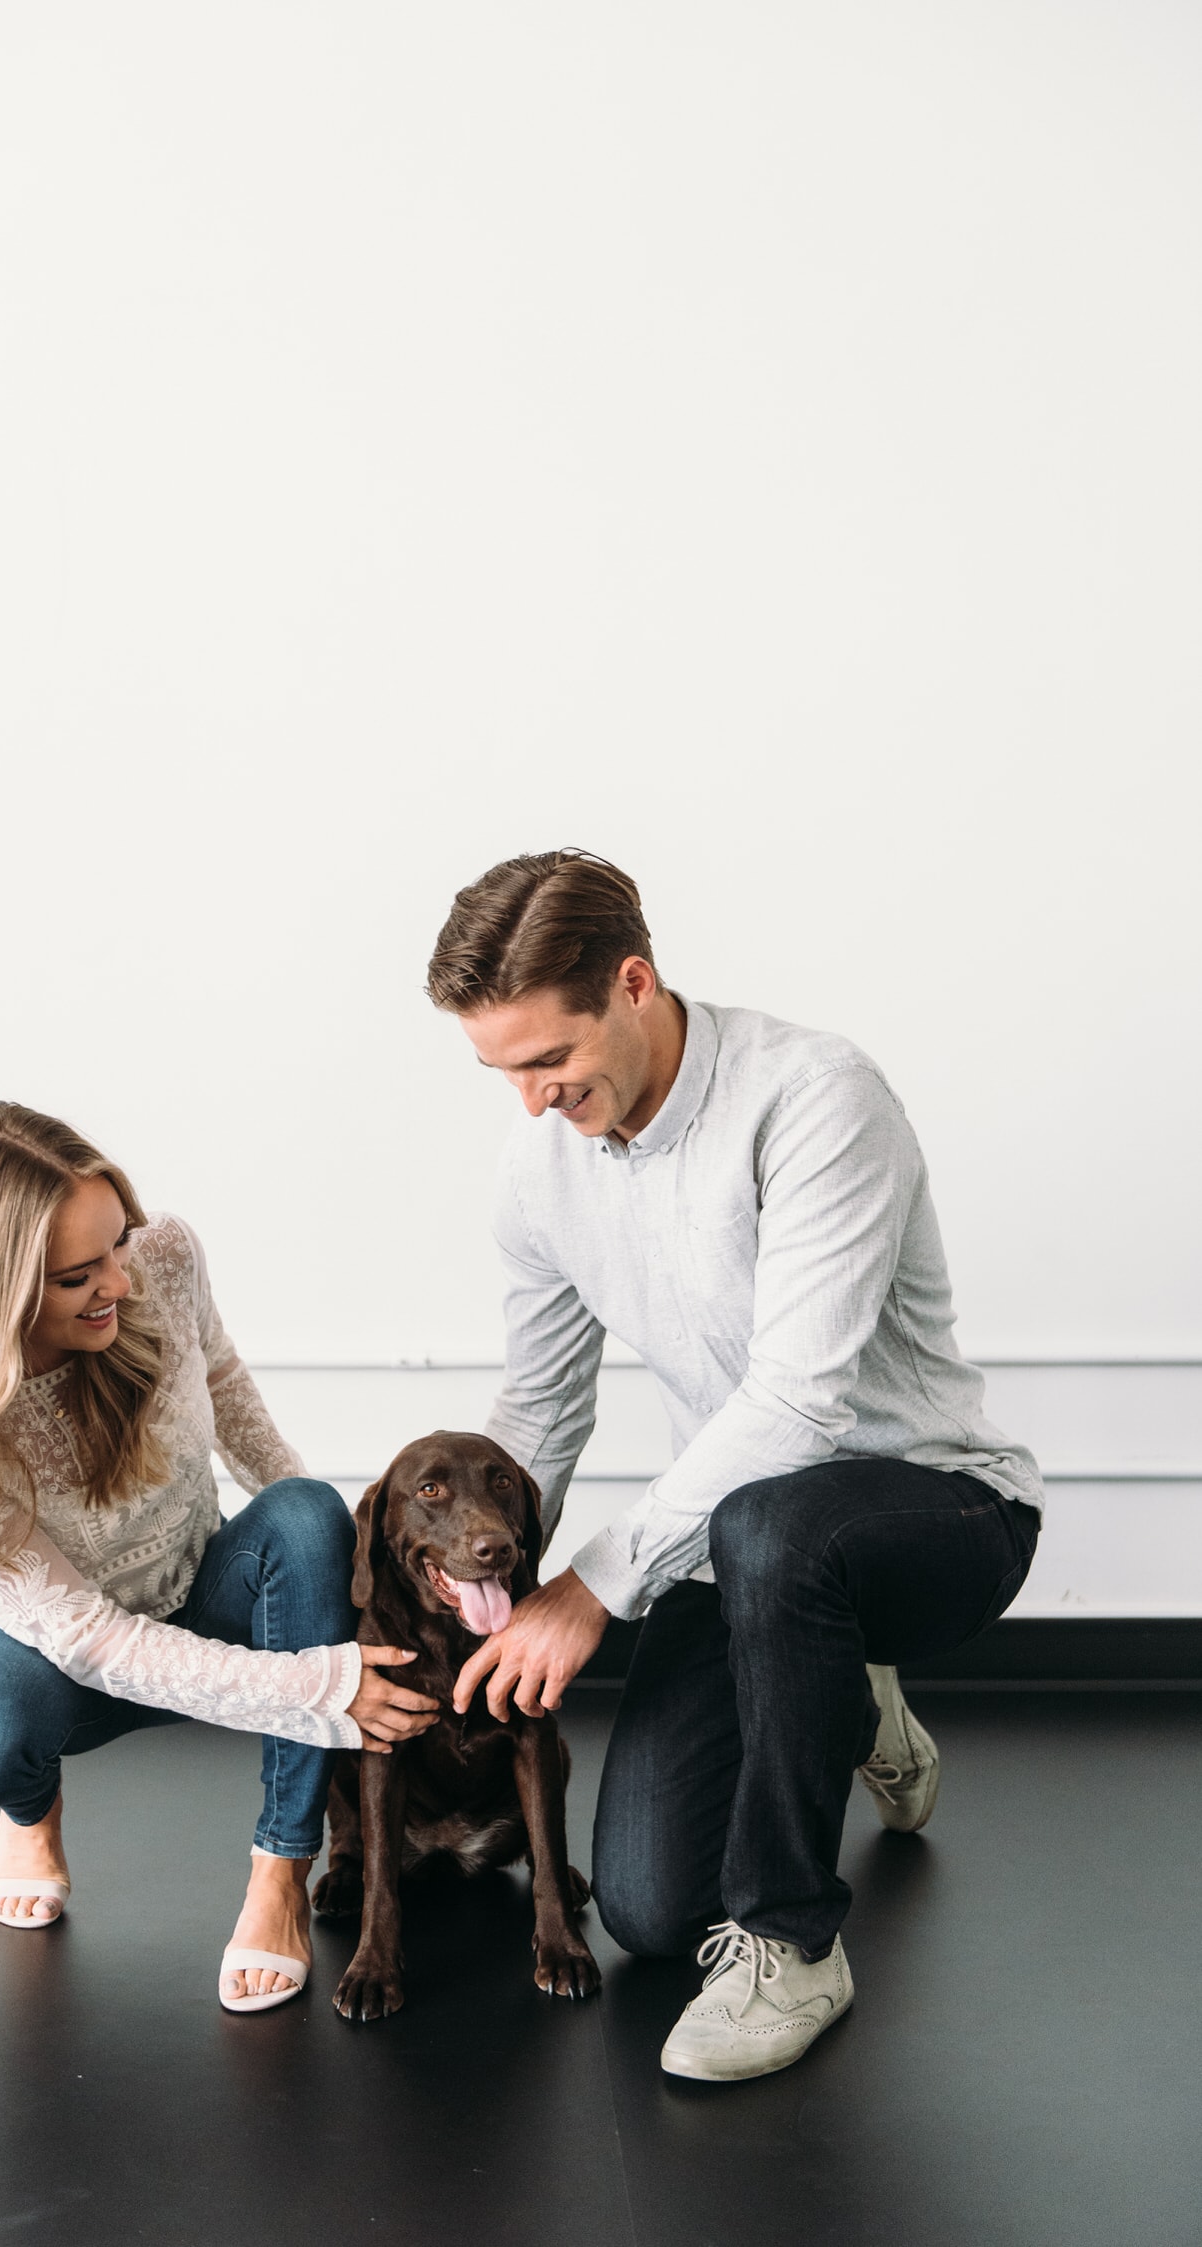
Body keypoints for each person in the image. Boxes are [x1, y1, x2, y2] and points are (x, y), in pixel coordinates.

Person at [427, 850, 1044, 2081]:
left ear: (635, 983)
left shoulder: (816, 1097)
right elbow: (541, 1412)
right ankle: (844, 1702)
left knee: (778, 1526)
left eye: (551, 1061)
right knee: (651, 1914)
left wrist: (597, 1584)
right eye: (503, 1073)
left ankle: (793, 1942)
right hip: (742, 1546)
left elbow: (800, 1406)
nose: (533, 1101)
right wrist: (465, 1567)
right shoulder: (537, 1169)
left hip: (940, 1513)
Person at [0, 1103, 437, 2012]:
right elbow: (92, 1640)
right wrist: (319, 1684)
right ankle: (31, 1811)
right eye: (78, 1275)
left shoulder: (163, 1259)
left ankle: (280, 1874)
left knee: (306, 1513)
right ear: (1, 1288)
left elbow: (222, 1378)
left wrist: (342, 1568)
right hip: (60, 1647)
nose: (120, 1283)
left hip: (198, 1586)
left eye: (118, 1243)